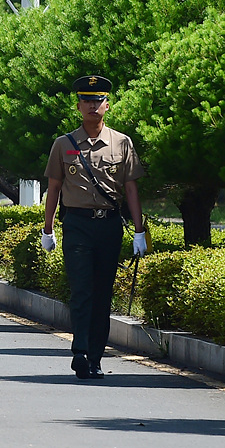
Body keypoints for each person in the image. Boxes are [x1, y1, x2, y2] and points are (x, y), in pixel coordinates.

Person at [41, 75, 147, 380]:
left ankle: (96, 357)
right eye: (87, 100)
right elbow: (54, 187)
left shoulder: (121, 142)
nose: (92, 105)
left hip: (109, 226)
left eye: (98, 100)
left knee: (102, 294)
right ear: (78, 106)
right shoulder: (64, 144)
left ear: (107, 105)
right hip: (76, 224)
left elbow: (130, 190)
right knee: (82, 290)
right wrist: (48, 229)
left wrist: (139, 232)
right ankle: (80, 351)